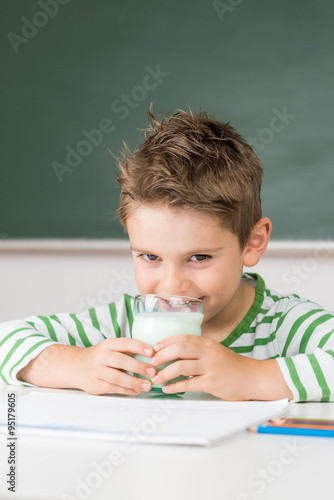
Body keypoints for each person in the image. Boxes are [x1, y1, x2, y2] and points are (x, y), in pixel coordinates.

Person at [1, 107, 333, 402]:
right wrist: (78, 366)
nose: (172, 285)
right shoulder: (125, 325)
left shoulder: (280, 327)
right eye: (150, 257)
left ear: (252, 242)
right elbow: (6, 339)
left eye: (199, 258)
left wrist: (251, 376)